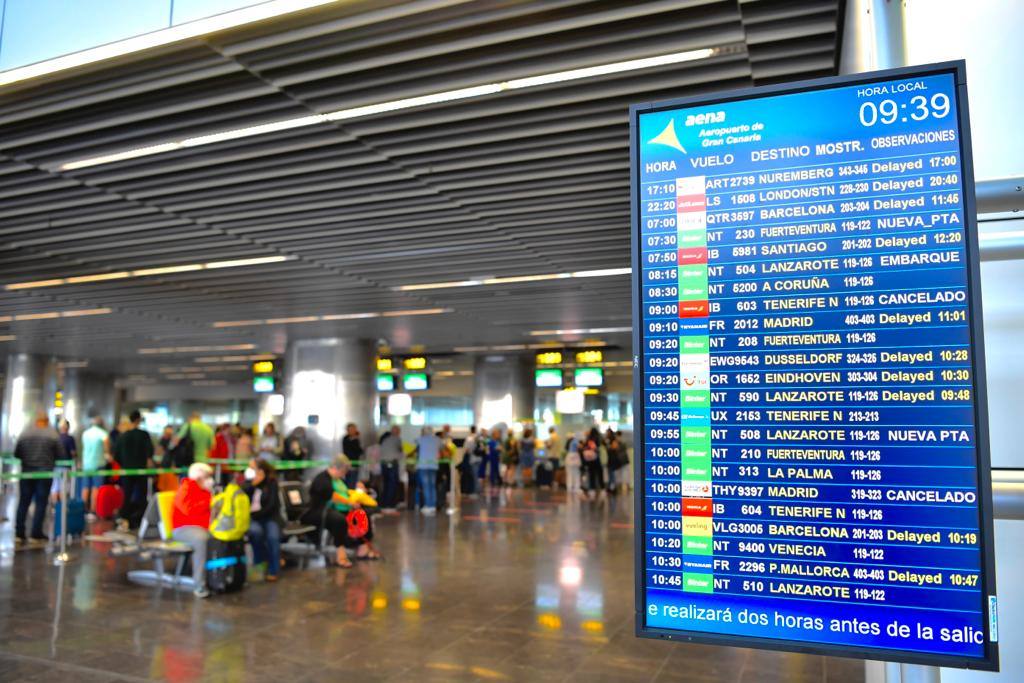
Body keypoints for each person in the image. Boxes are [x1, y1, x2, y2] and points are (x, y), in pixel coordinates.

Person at [302, 455, 379, 567]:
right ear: (337, 468)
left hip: (334, 509)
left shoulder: (337, 480)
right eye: (343, 472)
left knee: (362, 515)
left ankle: (363, 547)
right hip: (316, 511)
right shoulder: (322, 479)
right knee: (339, 520)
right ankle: (340, 553)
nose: (344, 475)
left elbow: (345, 493)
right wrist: (349, 503)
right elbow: (333, 496)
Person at [14, 411, 65, 544]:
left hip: (26, 472)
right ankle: (36, 533)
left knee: (23, 502)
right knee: (41, 503)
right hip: (45, 473)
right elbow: (61, 454)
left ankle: (19, 533)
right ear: (47, 421)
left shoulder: (25, 433)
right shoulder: (53, 434)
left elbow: (17, 453)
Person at [171, 463, 214, 598]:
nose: (210, 480)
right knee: (201, 539)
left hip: (202, 527)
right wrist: (208, 504)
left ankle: (216, 578)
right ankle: (199, 584)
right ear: (199, 477)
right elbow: (187, 509)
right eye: (207, 476)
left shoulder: (206, 491)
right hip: (183, 529)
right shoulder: (185, 488)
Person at [243, 458, 283, 582]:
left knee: (273, 537)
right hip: (253, 518)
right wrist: (253, 484)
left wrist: (257, 515)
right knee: (255, 532)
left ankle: (273, 569)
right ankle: (261, 562)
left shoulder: (271, 483)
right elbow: (242, 494)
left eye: (252, 467)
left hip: (269, 517)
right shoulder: (248, 482)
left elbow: (272, 505)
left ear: (261, 470)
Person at [114, 409, 154, 529]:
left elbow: (117, 455)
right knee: (142, 495)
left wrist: (124, 464)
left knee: (126, 495)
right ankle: (141, 519)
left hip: (126, 471)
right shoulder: (144, 435)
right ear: (139, 420)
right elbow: (150, 452)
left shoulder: (122, 437)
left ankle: (125, 517)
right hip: (141, 471)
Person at [80, 415, 111, 518]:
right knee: (95, 488)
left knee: (85, 487)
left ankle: (83, 510)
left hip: (86, 464)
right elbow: (107, 450)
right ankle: (93, 511)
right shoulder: (103, 434)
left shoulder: (85, 433)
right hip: (98, 464)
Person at [414, 427, 442, 515]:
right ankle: (432, 506)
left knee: (426, 486)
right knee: (432, 486)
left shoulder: (420, 439)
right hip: (433, 465)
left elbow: (413, 445)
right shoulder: (437, 439)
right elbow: (442, 448)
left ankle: (428, 505)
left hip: (423, 465)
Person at [378, 425, 403, 512]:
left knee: (386, 484)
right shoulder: (396, 439)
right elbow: (400, 450)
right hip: (392, 464)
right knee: (392, 485)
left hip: (383, 464)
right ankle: (389, 505)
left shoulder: (384, 439)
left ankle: (383, 504)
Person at [581, 427, 604, 500]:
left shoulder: (588, 439)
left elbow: (584, 447)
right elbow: (598, 448)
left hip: (589, 459)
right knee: (599, 474)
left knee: (591, 474)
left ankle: (592, 489)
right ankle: (602, 488)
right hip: (596, 459)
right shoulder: (599, 439)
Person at [479, 427, 502, 491]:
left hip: (495, 457)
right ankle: (493, 482)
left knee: (495, 469)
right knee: (492, 470)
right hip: (492, 457)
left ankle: (496, 481)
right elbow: (488, 449)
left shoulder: (495, 441)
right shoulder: (489, 441)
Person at [341, 423, 363, 489]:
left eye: (354, 429)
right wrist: (355, 439)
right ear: (347, 430)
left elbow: (360, 451)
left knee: (353, 483)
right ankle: (348, 498)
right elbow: (351, 450)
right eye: (350, 429)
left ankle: (350, 497)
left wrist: (356, 438)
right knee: (349, 483)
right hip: (348, 465)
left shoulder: (357, 439)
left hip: (355, 465)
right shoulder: (346, 439)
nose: (352, 431)